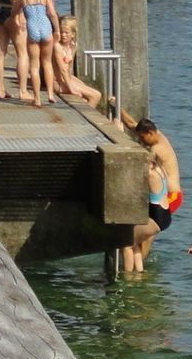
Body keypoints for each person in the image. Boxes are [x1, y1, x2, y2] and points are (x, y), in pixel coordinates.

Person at [118, 114, 183, 273]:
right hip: (162, 195)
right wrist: (118, 109)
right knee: (141, 230)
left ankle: (138, 265)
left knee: (146, 234)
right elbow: (133, 124)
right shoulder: (157, 134)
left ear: (150, 133)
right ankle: (137, 265)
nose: (140, 141)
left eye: (142, 138)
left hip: (172, 196)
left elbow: (139, 163)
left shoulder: (156, 149)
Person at [19, 0, 61, 106]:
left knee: (36, 64)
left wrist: (19, 18)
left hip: (33, 17)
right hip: (43, 10)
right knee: (44, 62)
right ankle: (50, 93)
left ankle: (38, 98)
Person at [51, 16, 103, 107]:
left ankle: (86, 112)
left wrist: (77, 83)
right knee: (96, 96)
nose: (63, 35)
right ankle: (86, 118)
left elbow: (69, 69)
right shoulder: (57, 47)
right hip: (56, 82)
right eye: (61, 32)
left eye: (66, 32)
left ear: (73, 34)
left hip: (66, 79)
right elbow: (62, 70)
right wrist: (71, 89)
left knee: (86, 91)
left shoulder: (73, 46)